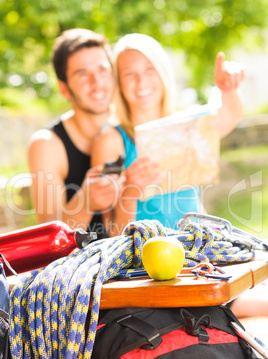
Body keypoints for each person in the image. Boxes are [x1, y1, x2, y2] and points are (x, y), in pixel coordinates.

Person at [91, 33, 245, 236]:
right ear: (118, 82)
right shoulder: (111, 141)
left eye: (149, 69)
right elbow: (113, 234)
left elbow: (229, 117)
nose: (141, 81)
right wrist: (130, 190)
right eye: (129, 74)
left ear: (162, 72)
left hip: (197, 246)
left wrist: (228, 88)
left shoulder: (185, 126)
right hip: (146, 258)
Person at [28, 28, 123, 238]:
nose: (97, 83)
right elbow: (47, 239)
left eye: (102, 70)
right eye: (82, 75)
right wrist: (85, 202)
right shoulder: (46, 144)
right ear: (64, 88)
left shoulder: (128, 129)